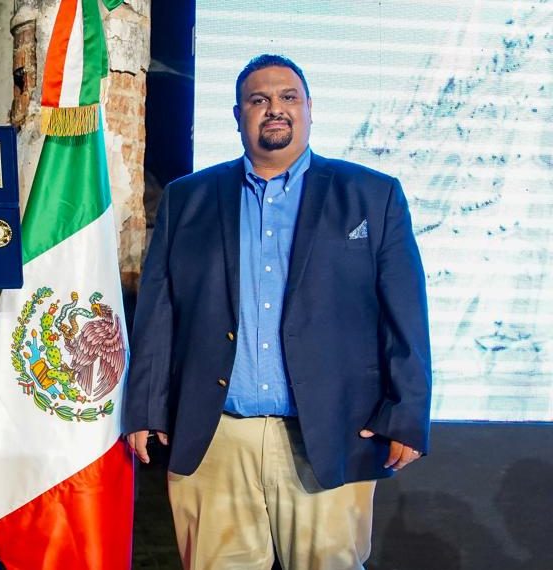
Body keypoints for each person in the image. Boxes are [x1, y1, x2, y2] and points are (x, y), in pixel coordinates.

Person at [124, 54, 432, 570]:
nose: (275, 109)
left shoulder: (372, 196)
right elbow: (159, 312)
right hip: (215, 437)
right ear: (239, 114)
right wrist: (145, 408)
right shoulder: (188, 199)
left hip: (329, 434)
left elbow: (405, 317)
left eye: (289, 98)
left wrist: (407, 413)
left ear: (310, 110)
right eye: (259, 99)